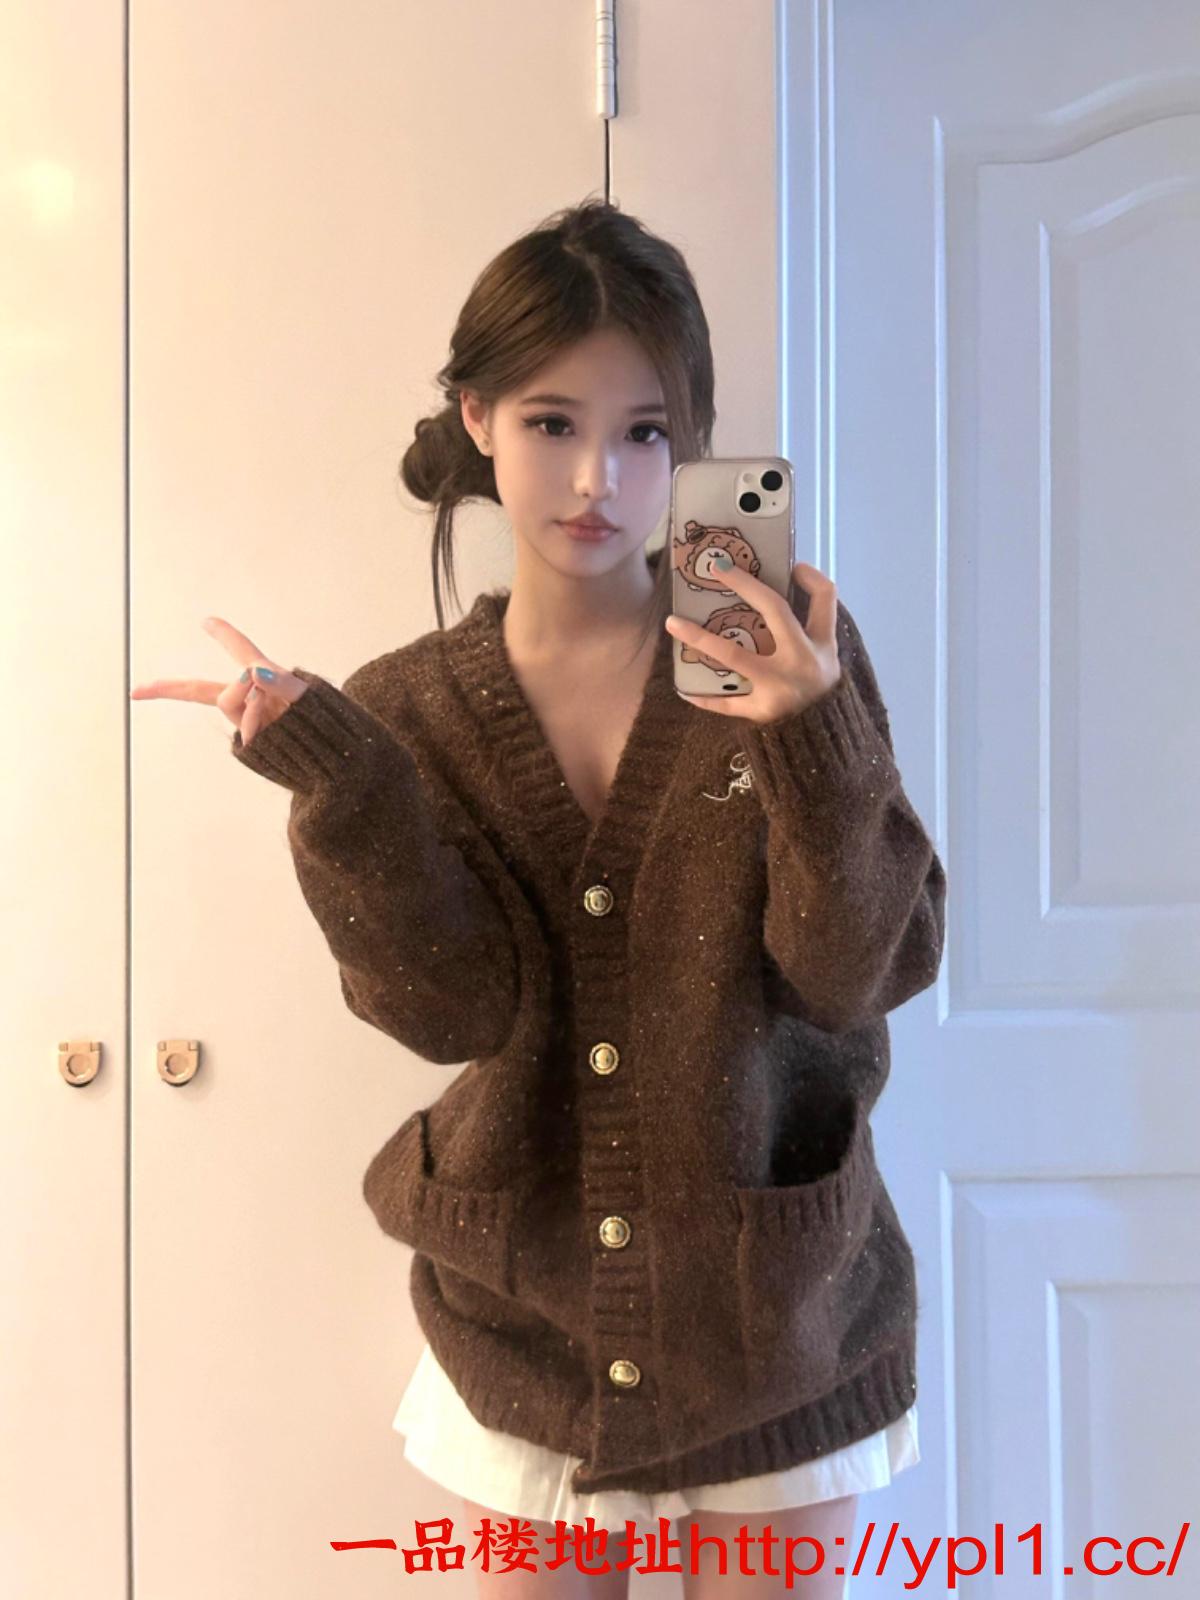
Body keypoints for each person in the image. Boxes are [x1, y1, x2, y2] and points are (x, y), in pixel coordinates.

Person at [131, 198, 945, 1598]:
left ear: (691, 449)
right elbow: (453, 1013)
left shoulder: (789, 654)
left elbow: (859, 971)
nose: (596, 479)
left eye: (646, 434)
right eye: (553, 422)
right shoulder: (405, 713)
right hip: (526, 1330)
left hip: (782, 1320)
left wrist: (812, 737)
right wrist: (341, 781)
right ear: (479, 417)